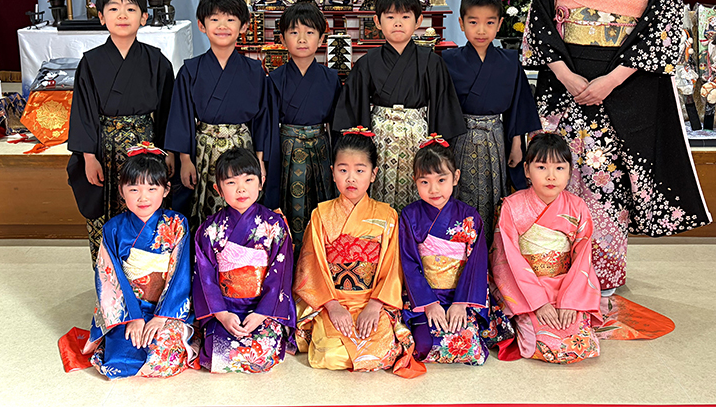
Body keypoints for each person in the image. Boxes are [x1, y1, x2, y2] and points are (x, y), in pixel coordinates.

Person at [521, 0, 711, 292]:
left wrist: (610, 79)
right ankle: (551, 270)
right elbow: (541, 21)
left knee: (610, 188)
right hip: (565, 87)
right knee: (557, 177)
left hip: (624, 90)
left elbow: (663, 26)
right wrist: (565, 74)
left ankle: (602, 276)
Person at [293, 129, 423, 376]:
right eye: (343, 170)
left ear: (373, 174)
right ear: (332, 173)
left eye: (360, 170)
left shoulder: (388, 216)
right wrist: (332, 306)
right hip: (332, 300)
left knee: (384, 349)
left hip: (371, 301)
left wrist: (375, 305)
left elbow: (392, 266)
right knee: (328, 354)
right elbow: (312, 265)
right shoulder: (321, 215)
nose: (350, 178)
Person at [67, 0, 174, 265]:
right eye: (113, 9)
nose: (122, 15)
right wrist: (88, 156)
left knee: (146, 208)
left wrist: (170, 152)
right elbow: (83, 110)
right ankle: (109, 286)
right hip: (105, 150)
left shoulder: (157, 61)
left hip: (147, 148)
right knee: (107, 214)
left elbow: (167, 111)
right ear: (101, 17)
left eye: (130, 8)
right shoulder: (91, 62)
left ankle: (147, 282)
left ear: (144, 16)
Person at [333, 0, 465, 211]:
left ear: (418, 20)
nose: (397, 23)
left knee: (419, 190)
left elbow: (442, 109)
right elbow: (354, 110)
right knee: (379, 195)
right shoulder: (367, 62)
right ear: (377, 22)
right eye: (390, 16)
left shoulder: (431, 61)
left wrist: (436, 149)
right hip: (380, 139)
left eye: (405, 16)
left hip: (418, 139)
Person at [73, 145, 197, 378]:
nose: (143, 197)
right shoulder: (113, 228)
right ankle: (128, 328)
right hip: (128, 308)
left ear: (166, 189)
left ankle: (163, 326)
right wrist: (133, 318)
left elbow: (181, 274)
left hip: (165, 307)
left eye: (152, 188)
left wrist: (162, 317)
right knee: (118, 360)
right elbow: (110, 278)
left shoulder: (177, 224)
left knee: (164, 357)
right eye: (134, 189)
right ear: (121, 190)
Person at [165, 0, 278, 229]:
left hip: (243, 148)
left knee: (242, 205)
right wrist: (185, 159)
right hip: (205, 151)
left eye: (230, 19)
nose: (222, 25)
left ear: (244, 26)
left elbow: (263, 119)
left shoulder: (254, 71)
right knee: (205, 209)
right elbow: (181, 115)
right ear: (201, 25)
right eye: (214, 19)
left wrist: (260, 160)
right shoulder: (190, 70)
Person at [489, 133, 602, 364]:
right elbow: (506, 258)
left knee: (580, 344)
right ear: (527, 170)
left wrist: (570, 300)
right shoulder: (512, 206)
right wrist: (538, 303)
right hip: (526, 289)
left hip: (567, 286)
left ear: (570, 171)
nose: (551, 176)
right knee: (545, 344)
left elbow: (582, 259)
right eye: (541, 167)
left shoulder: (577, 206)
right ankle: (529, 319)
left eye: (559, 168)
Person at [443, 0, 542, 246]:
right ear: (461, 23)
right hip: (460, 137)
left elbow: (517, 106)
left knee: (493, 193)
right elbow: (441, 105)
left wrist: (517, 143)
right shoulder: (449, 60)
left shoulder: (509, 61)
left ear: (499, 24)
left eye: (489, 23)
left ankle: (490, 253)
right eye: (473, 22)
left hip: (496, 137)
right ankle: (459, 251)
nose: (481, 30)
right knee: (458, 189)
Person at [193, 148, 296, 373]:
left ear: (261, 182)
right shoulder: (210, 230)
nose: (241, 188)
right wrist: (221, 314)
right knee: (216, 352)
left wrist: (261, 313)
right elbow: (205, 277)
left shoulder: (275, 226)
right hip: (225, 308)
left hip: (263, 309)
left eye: (249, 179)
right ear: (217, 189)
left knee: (262, 351)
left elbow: (281, 273)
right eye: (231, 183)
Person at [399, 137, 493, 365]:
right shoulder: (409, 216)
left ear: (456, 177)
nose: (434, 189)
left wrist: (461, 303)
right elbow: (409, 263)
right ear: (415, 181)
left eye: (442, 180)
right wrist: (429, 304)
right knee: (423, 345)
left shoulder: (470, 217)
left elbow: (477, 264)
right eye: (425, 182)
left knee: (467, 344)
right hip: (424, 297)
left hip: (459, 296)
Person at [269, 3, 341, 256]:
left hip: (321, 148)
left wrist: (339, 159)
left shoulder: (331, 78)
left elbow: (337, 124)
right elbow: (269, 124)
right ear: (282, 39)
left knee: (323, 203)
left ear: (322, 38)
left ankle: (322, 261)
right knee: (291, 207)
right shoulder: (274, 79)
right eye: (293, 32)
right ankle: (292, 261)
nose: (302, 39)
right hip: (287, 148)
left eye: (310, 33)